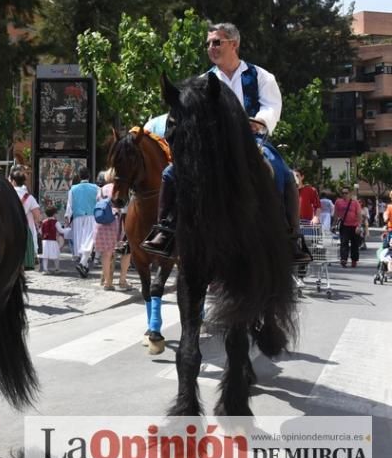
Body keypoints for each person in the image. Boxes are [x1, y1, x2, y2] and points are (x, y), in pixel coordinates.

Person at [142, 22, 310, 265]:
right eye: (208, 43)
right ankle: (165, 230)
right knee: (170, 173)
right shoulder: (202, 81)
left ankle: (290, 237)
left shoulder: (261, 76)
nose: (211, 47)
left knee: (281, 170)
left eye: (217, 42)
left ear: (234, 44)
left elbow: (272, 106)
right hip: (213, 145)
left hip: (251, 140)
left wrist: (259, 121)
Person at [64, 166, 99, 271]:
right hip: (91, 216)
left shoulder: (73, 189)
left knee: (80, 240)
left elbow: (69, 205)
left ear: (79, 176)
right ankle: (83, 263)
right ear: (89, 176)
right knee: (90, 240)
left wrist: (67, 217)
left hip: (77, 217)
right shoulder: (96, 188)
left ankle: (84, 265)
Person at [94, 169, 121, 290]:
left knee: (105, 254)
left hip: (100, 222)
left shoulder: (100, 189)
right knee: (111, 252)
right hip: (112, 221)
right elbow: (120, 205)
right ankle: (109, 282)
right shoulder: (116, 189)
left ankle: (106, 281)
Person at [10, 172, 42, 270]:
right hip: (24, 229)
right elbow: (38, 216)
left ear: (13, 181)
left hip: (9, 228)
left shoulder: (7, 193)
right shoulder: (29, 198)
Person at [333, 187, 362, 267]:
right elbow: (335, 214)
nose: (344, 194)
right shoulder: (338, 202)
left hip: (354, 226)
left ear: (350, 194)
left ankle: (354, 260)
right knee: (343, 243)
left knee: (355, 245)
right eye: (343, 193)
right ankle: (343, 259)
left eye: (346, 193)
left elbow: (359, 215)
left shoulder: (355, 203)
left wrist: (359, 226)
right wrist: (334, 224)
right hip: (344, 226)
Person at [39, 206, 60, 275]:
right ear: (54, 214)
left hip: (44, 241)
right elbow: (61, 230)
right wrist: (68, 230)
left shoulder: (43, 222)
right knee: (56, 256)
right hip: (53, 241)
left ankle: (45, 270)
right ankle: (57, 269)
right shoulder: (56, 222)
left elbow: (40, 231)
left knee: (45, 256)